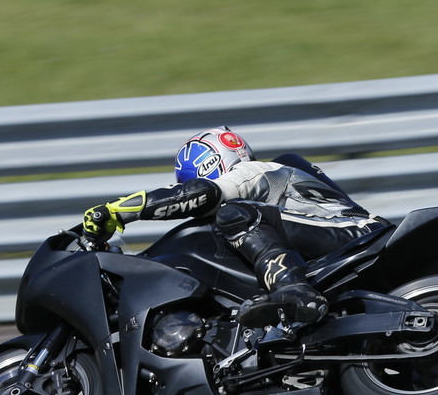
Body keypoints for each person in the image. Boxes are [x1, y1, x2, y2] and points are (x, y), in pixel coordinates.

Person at [81, 127, 385, 327]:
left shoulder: (252, 172)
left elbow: (203, 194)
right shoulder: (273, 181)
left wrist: (116, 212)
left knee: (234, 215)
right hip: (343, 240)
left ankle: (294, 291)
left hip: (356, 235)